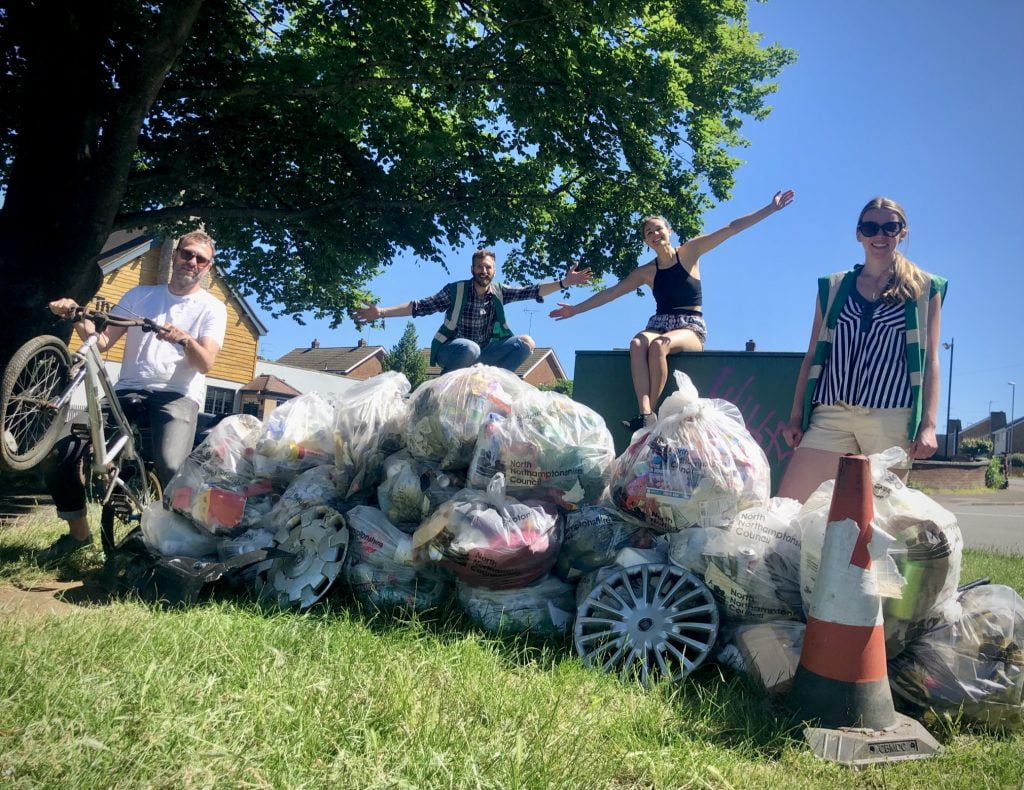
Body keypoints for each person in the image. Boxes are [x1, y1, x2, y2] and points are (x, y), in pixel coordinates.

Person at [38, 230, 228, 562]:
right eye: (187, 254)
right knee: (63, 453)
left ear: (208, 266)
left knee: (171, 465)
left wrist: (185, 340)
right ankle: (78, 538)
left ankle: (187, 546)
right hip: (126, 390)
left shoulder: (212, 308)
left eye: (201, 259)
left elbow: (206, 362)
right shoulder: (140, 295)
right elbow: (101, 343)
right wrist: (76, 315)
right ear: (174, 256)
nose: (192, 262)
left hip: (176, 394)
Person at [550, 190, 794, 430]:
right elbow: (611, 293)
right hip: (659, 323)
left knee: (659, 346)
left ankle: (651, 413)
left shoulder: (690, 252)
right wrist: (575, 310)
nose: (655, 234)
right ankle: (644, 412)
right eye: (649, 233)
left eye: (658, 229)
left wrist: (770, 208)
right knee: (637, 343)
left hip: (690, 325)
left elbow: (731, 228)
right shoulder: (646, 272)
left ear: (669, 232)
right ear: (646, 241)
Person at [777, 197, 947, 502]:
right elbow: (812, 355)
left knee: (877, 521)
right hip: (831, 413)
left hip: (891, 417)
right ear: (859, 234)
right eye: (870, 227)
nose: (879, 235)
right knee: (791, 505)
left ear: (902, 232)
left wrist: (929, 425)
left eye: (889, 227)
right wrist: (795, 416)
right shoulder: (833, 287)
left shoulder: (924, 288)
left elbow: (931, 359)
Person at [353, 249, 591, 374]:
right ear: (472, 269)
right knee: (470, 347)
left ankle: (492, 383)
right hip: (453, 351)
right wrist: (381, 312)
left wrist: (563, 283)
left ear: (494, 271)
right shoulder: (455, 291)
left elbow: (532, 290)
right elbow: (419, 307)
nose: (483, 271)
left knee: (526, 342)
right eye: (479, 267)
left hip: (483, 355)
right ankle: (449, 381)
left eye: (488, 267)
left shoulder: (499, 292)